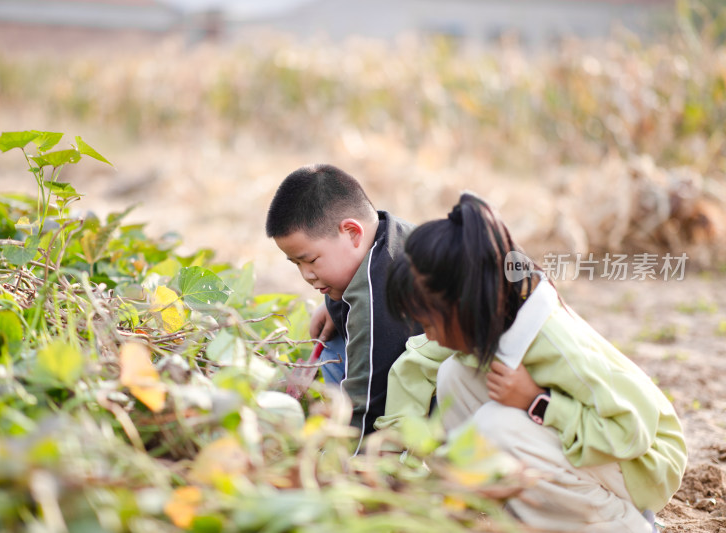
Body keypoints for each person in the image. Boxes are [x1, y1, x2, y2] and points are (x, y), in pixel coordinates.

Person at [385, 191, 687, 532]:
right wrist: (395, 463)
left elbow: (632, 430)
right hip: (601, 447)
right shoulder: (488, 322)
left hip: (645, 464)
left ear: (463, 305)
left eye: (428, 324)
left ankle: (623, 523)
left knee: (496, 428)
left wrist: (536, 402)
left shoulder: (555, 343)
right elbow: (416, 363)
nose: (430, 336)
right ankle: (523, 508)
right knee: (454, 374)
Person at [265, 164, 420, 451]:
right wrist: (334, 303)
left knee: (362, 411)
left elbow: (369, 400)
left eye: (310, 260)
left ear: (351, 232)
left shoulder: (377, 296)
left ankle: (367, 446)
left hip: (471, 384)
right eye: (296, 264)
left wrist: (339, 458)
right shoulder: (385, 234)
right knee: (335, 336)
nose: (306, 275)